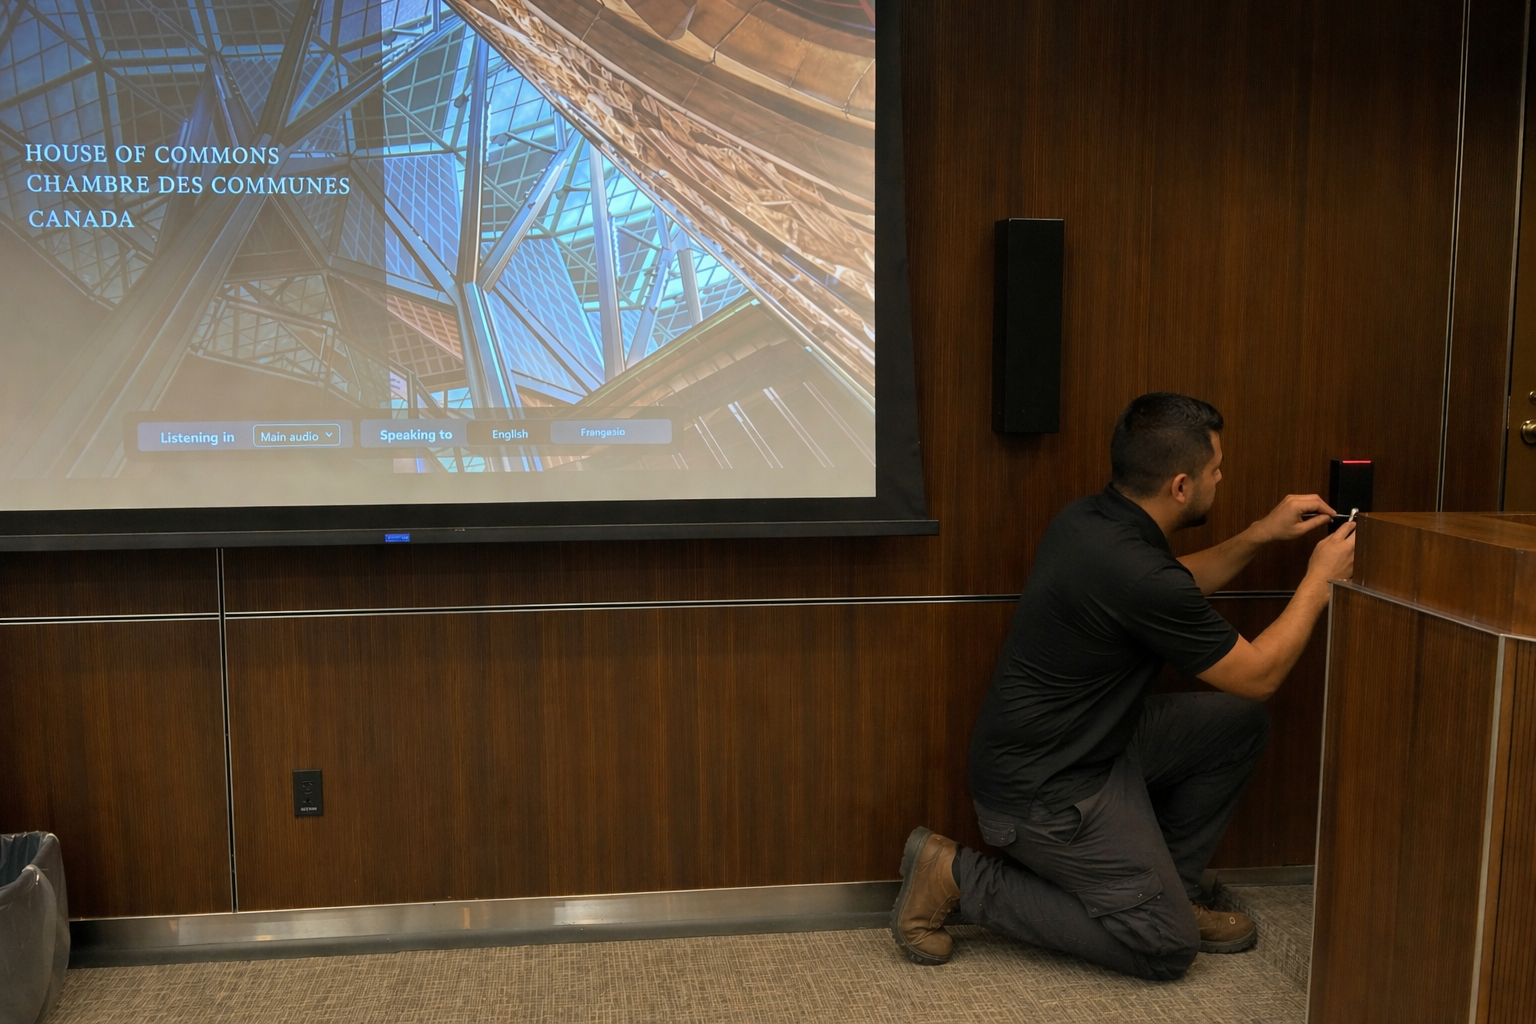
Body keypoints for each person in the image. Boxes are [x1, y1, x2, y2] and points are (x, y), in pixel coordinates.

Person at [890, 392, 1356, 981]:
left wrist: (1259, 534)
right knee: (1163, 947)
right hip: (1045, 795)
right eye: (1216, 470)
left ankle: (1170, 892)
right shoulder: (1135, 570)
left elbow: (1172, 586)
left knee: (1235, 726)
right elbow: (1259, 674)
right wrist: (1319, 581)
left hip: (1090, 747)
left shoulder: (1089, 521)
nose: (1223, 477)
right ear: (1182, 487)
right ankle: (959, 878)